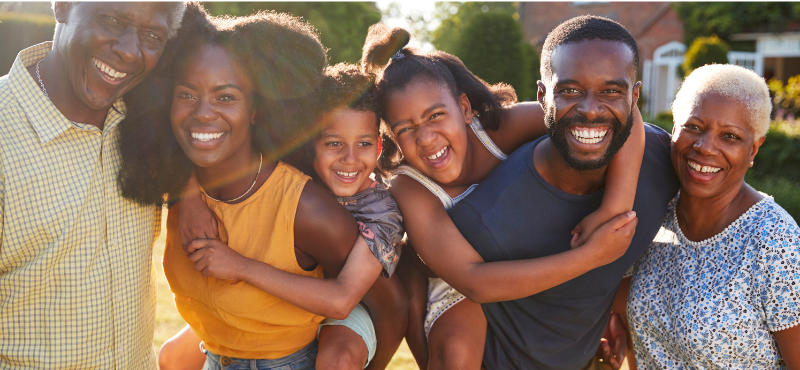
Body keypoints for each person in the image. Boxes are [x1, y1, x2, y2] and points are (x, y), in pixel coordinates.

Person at [117, 6, 405, 370]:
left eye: (226, 97)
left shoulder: (308, 211)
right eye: (187, 94)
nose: (203, 112)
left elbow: (388, 305)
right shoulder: (168, 178)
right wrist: (186, 192)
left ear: (256, 109)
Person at [360, 21, 647, 369]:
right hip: (460, 285)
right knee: (455, 354)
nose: (426, 138)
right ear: (391, 135)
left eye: (436, 115)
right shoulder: (410, 185)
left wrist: (614, 208)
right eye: (406, 129)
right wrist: (591, 255)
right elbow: (473, 280)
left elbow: (625, 114)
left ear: (465, 109)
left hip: (533, 252)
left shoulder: (501, 129)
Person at [443, 16, 681, 369]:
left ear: (634, 97)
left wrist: (620, 312)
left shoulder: (663, 160)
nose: (590, 109)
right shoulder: (483, 217)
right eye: (569, 90)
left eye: (611, 91)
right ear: (542, 96)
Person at [0, 2, 185, 368]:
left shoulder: (147, 122)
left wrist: (189, 198)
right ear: (63, 6)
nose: (130, 51)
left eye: (152, 36)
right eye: (113, 19)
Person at [624, 64, 800, 368]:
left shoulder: (774, 241)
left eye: (730, 136)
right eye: (693, 127)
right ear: (674, 127)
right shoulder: (654, 212)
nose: (705, 147)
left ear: (754, 149)